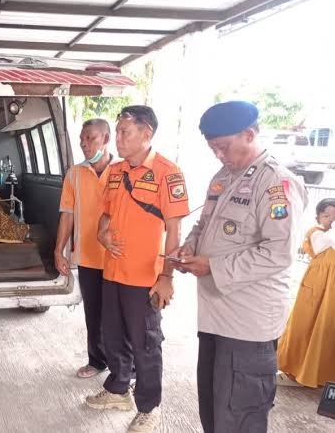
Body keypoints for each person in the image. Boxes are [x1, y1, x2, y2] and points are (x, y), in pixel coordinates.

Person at [175, 101, 307, 433]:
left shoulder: (277, 184)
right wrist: (190, 246)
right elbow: (204, 225)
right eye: (213, 148)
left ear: (249, 134)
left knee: (240, 414)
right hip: (215, 317)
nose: (218, 155)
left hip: (248, 324)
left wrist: (214, 267)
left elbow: (279, 251)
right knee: (214, 409)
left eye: (223, 146)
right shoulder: (223, 178)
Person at [87, 105, 190, 433]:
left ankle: (149, 407)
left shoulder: (166, 172)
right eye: (117, 132)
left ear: (146, 133)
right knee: (113, 337)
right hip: (113, 272)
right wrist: (102, 232)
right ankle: (118, 389)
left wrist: (167, 276)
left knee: (145, 343)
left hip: (145, 277)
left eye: (124, 132)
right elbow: (106, 213)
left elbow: (174, 231)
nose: (117, 138)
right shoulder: (115, 172)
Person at [55, 118, 114, 378]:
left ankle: (128, 368)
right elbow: (67, 214)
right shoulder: (75, 173)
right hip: (89, 255)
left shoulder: (123, 171)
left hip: (118, 256)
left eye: (91, 138)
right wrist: (59, 250)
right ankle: (97, 360)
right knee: (94, 315)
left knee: (121, 316)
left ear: (106, 139)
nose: (85, 144)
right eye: (82, 139)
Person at [277, 198, 335, 388]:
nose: (330, 220)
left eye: (334, 216)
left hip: (328, 287)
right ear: (318, 216)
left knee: (322, 326)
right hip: (317, 286)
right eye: (327, 215)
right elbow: (320, 247)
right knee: (307, 324)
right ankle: (296, 367)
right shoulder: (318, 234)